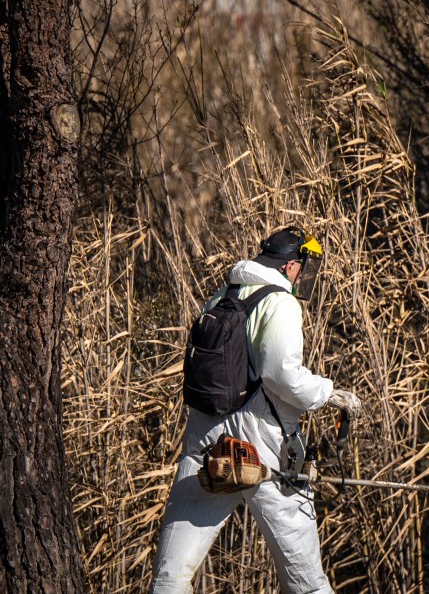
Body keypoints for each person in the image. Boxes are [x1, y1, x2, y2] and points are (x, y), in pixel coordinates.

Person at [150, 228, 362, 594]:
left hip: (207, 445)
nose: (302, 275)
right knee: (307, 584)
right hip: (265, 451)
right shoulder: (280, 302)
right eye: (303, 267)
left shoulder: (221, 297)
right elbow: (282, 376)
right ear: (291, 265)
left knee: (171, 576)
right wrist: (330, 393)